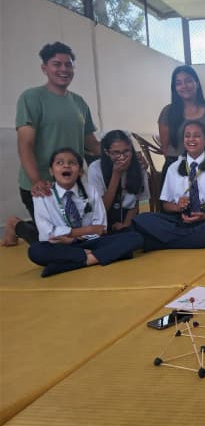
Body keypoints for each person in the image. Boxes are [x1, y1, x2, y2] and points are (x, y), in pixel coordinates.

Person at [3, 42, 102, 247]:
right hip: (43, 185)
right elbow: (25, 144)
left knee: (76, 236)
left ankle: (30, 225)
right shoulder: (31, 98)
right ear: (44, 68)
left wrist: (122, 154)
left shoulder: (79, 103)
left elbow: (92, 144)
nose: (64, 69)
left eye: (68, 65)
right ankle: (16, 225)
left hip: (72, 183)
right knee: (51, 244)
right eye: (57, 64)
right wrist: (36, 180)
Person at [27, 148, 143, 277]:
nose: (66, 165)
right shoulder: (42, 195)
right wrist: (84, 231)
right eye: (59, 163)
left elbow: (100, 227)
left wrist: (75, 239)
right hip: (60, 246)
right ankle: (98, 256)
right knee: (35, 251)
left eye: (72, 163)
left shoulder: (90, 190)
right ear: (51, 171)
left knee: (134, 238)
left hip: (89, 243)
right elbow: (47, 233)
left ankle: (80, 262)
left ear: (81, 172)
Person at [133, 120, 205, 251]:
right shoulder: (173, 168)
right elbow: (165, 205)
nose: (191, 139)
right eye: (187, 136)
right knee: (141, 220)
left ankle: (160, 244)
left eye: (197, 135)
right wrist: (177, 207)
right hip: (181, 218)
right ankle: (189, 240)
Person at [158, 65, 205, 178]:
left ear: (197, 83)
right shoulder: (168, 112)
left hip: (204, 167)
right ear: (174, 87)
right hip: (174, 167)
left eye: (188, 81)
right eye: (178, 83)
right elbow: (165, 147)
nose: (184, 86)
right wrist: (179, 165)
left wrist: (200, 161)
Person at [87, 130, 149, 233]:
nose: (122, 157)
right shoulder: (95, 168)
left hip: (128, 221)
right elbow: (100, 210)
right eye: (116, 153)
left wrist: (125, 225)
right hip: (103, 222)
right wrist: (116, 175)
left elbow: (140, 201)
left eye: (126, 151)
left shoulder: (139, 166)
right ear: (107, 152)